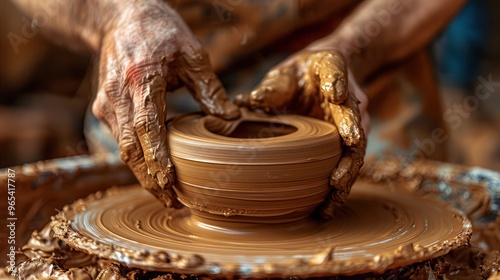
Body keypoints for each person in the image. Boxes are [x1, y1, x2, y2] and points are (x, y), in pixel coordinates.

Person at [10, 0, 467, 216]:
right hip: (148, 70)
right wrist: (114, 15)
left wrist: (354, 49)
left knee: (404, 234)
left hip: (353, 77)